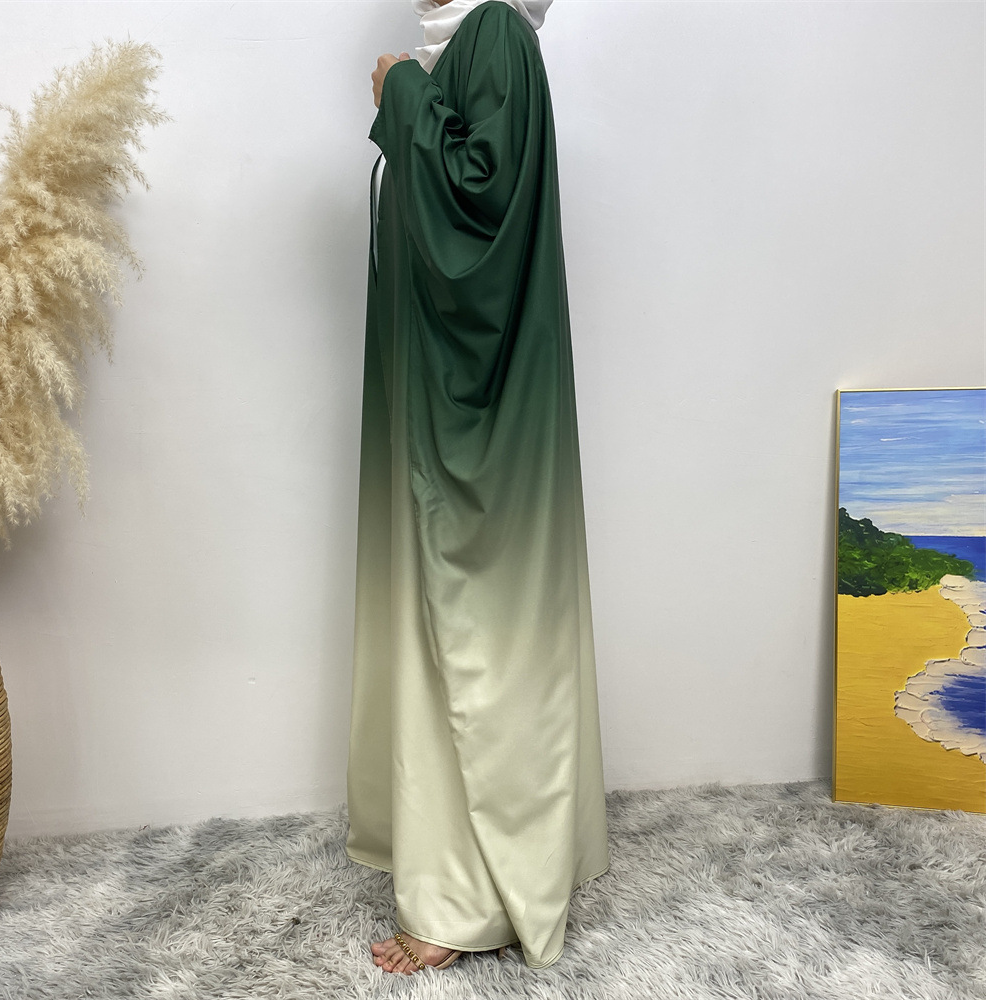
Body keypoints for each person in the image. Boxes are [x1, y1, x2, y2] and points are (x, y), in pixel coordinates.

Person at [347, 0, 609, 974]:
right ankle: (458, 872)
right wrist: (413, 92)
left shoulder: (493, 30)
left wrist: (402, 93)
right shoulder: (471, 39)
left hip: (473, 417)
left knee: (469, 622)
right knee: (441, 622)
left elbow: (480, 210)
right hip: (437, 394)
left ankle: (472, 898)